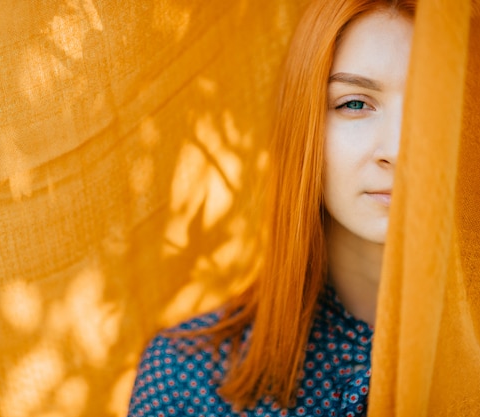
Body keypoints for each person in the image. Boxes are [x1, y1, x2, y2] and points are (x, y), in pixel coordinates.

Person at [128, 0, 415, 415]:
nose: (398, 150)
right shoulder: (188, 377)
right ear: (305, 125)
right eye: (355, 103)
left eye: (433, 108)